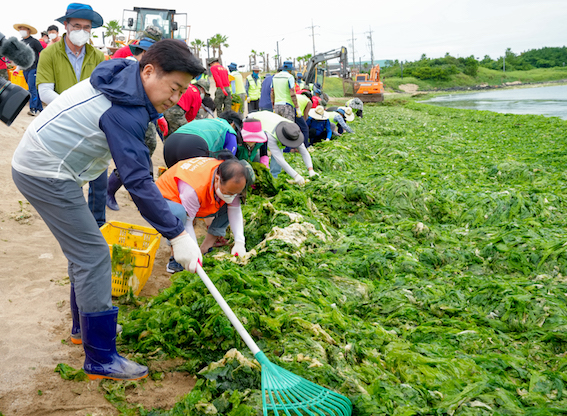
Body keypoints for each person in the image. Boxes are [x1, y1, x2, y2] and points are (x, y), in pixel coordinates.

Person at [12, 39, 205, 381]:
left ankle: (81, 332)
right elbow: (137, 181)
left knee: (84, 252)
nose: (176, 99)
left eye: (183, 91)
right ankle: (100, 358)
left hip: (55, 164)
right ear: (148, 70)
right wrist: (176, 235)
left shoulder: (124, 75)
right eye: (174, 88)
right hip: (45, 170)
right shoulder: (122, 109)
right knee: (93, 255)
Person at [37, 3, 107, 226]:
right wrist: (73, 108)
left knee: (99, 176)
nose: (82, 31)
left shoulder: (97, 56)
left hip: (92, 125)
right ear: (66, 25)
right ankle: (69, 222)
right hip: (62, 124)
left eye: (87, 27)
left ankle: (97, 223)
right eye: (77, 25)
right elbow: (45, 91)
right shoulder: (50, 53)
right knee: (66, 176)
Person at [156, 157, 251, 271]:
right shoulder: (194, 189)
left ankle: (205, 248)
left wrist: (240, 242)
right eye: (229, 193)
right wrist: (193, 253)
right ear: (217, 179)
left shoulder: (228, 174)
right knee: (179, 214)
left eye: (236, 193)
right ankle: (175, 259)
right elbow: (188, 223)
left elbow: (235, 209)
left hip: (197, 199)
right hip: (165, 199)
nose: (232, 197)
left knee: (228, 204)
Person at [106, 36, 163, 211]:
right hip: (129, 119)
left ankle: (141, 185)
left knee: (145, 153)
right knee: (132, 157)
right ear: (145, 53)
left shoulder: (144, 70)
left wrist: (158, 116)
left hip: (144, 118)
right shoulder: (130, 67)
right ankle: (109, 191)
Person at [250, 111, 318, 183]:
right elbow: (279, 158)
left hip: (270, 120)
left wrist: (311, 170)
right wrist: (296, 175)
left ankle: (274, 178)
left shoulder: (293, 131)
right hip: (253, 122)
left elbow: (304, 151)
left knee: (279, 151)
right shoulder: (272, 136)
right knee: (255, 154)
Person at [163, 110, 242, 168]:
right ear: (233, 124)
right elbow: (228, 163)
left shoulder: (209, 121)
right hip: (193, 145)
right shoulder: (229, 130)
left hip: (170, 143)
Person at [13, 22, 43, 116]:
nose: (21, 30)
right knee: (33, 89)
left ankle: (33, 108)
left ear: (28, 30)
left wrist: (41, 66)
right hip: (25, 69)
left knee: (32, 88)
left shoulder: (34, 41)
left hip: (34, 68)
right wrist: (17, 69)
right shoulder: (21, 43)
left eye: (23, 29)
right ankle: (40, 108)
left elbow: (42, 52)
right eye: (20, 29)